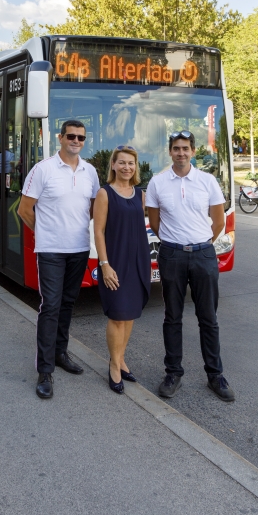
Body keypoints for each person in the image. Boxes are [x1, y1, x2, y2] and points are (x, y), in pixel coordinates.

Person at [146, 130, 235, 403]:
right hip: (171, 255)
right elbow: (155, 222)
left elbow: (218, 222)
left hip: (203, 255)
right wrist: (175, 243)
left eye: (185, 148)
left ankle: (215, 375)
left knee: (208, 318)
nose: (181, 153)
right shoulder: (158, 183)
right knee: (172, 316)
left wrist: (200, 244)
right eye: (176, 148)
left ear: (193, 152)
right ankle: (173, 373)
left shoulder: (208, 181)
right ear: (170, 152)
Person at [18, 120, 100, 399]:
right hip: (51, 251)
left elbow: (91, 209)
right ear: (61, 138)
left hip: (79, 249)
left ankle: (61, 354)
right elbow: (24, 209)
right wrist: (45, 232)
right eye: (71, 136)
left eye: (81, 137)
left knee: (67, 303)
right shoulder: (43, 169)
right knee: (50, 306)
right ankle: (45, 370)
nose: (76, 140)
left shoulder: (90, 171)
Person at [94, 146, 151, 394]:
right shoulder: (105, 194)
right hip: (115, 262)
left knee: (129, 316)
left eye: (132, 163)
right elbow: (98, 231)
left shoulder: (140, 194)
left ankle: (120, 358)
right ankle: (114, 367)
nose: (127, 167)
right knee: (117, 316)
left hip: (138, 261)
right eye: (123, 163)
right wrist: (105, 265)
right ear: (114, 166)